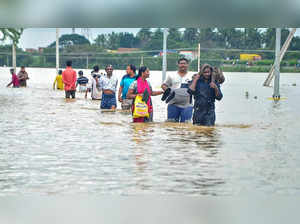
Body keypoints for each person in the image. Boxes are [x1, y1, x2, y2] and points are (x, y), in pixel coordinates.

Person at [161, 58, 193, 123]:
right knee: (171, 125)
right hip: (173, 104)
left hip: (187, 105)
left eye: (184, 63)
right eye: (181, 63)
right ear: (178, 65)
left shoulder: (192, 76)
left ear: (187, 65)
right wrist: (169, 91)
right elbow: (163, 85)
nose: (183, 65)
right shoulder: (172, 75)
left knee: (186, 125)